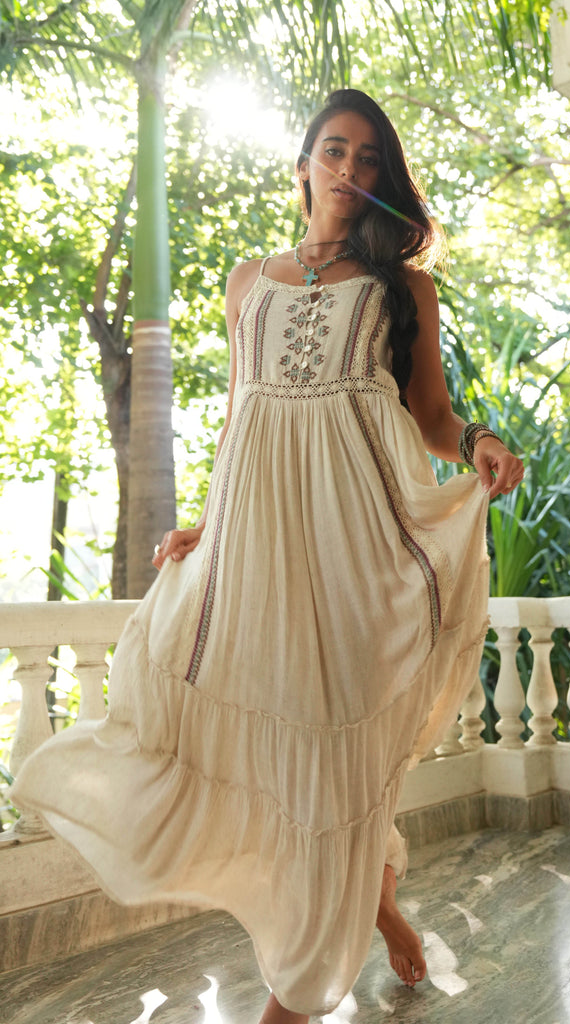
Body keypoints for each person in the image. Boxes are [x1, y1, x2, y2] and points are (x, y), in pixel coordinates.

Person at [11, 89, 523, 1023]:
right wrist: (210, 525)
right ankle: (375, 910)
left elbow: (430, 417)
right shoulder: (248, 280)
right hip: (260, 548)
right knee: (219, 726)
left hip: (360, 547)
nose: (351, 170)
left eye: (369, 158)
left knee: (335, 758)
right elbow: (242, 420)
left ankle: (297, 992)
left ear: (382, 177)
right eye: (335, 150)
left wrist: (480, 441)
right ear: (303, 164)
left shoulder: (401, 287)